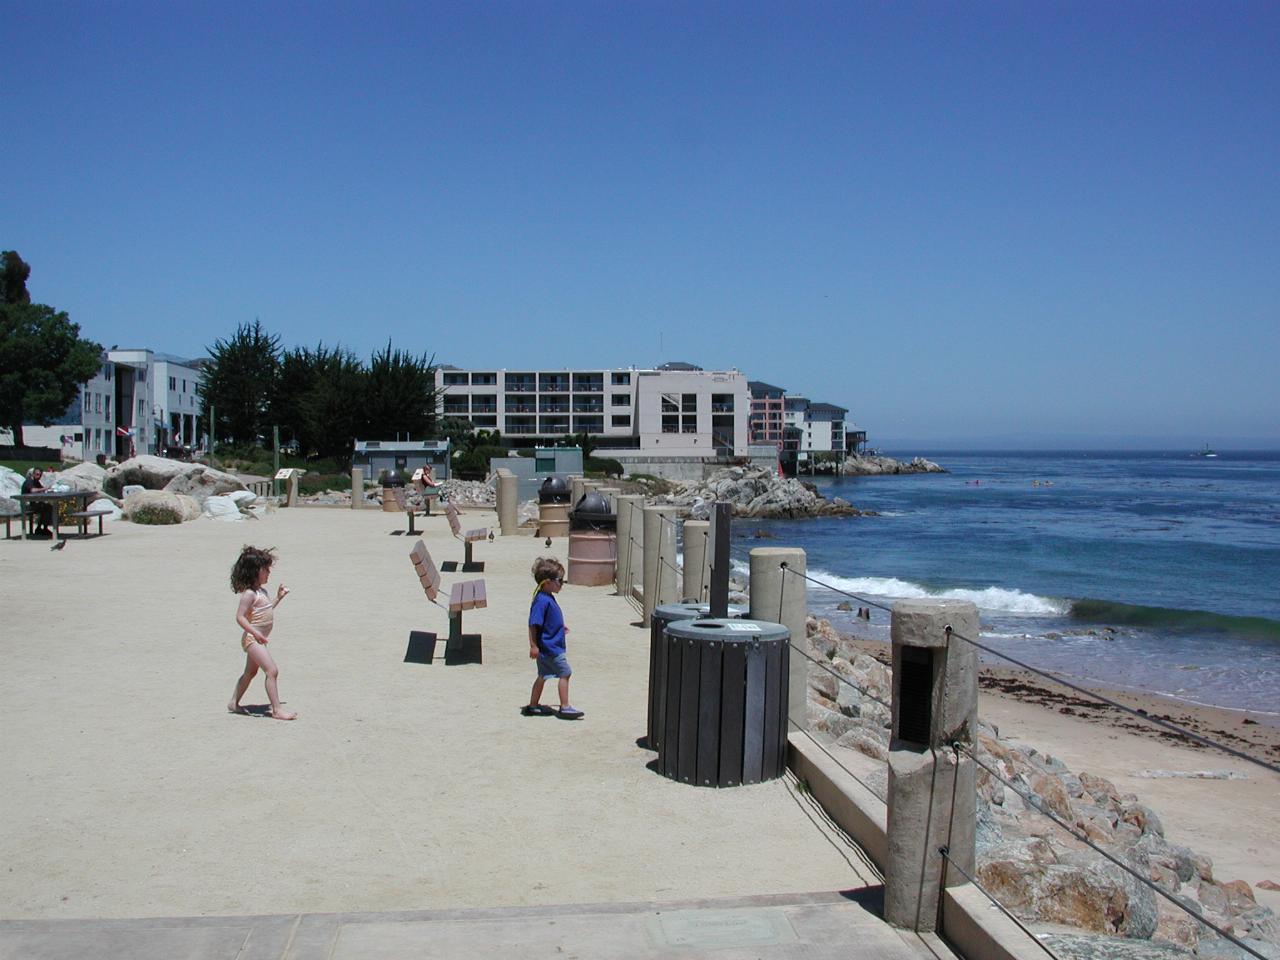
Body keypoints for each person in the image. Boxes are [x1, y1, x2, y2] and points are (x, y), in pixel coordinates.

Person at [227, 546, 297, 720]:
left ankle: (234, 703)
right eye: (265, 569)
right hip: (252, 640)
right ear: (254, 571)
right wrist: (255, 633)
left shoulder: (261, 592)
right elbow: (240, 617)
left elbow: (265, 611)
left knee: (250, 673)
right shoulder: (249, 594)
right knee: (271, 670)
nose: (268, 573)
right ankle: (276, 709)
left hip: (258, 639)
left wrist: (278, 598)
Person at [524, 557, 583, 719]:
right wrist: (533, 645)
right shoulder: (542, 600)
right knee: (565, 672)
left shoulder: (547, 597)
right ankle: (565, 707)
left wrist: (559, 628)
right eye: (560, 581)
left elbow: (547, 621)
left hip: (549, 646)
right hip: (550, 648)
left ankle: (533, 705)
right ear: (547, 582)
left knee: (543, 675)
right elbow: (533, 624)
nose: (562, 584)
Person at [20, 467, 53, 536]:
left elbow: (41, 489)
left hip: (33, 504)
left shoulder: (36, 481)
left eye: (40, 475)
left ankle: (42, 528)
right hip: (26, 506)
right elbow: (33, 490)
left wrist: (49, 490)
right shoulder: (29, 481)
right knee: (47, 508)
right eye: (37, 474)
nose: (38, 476)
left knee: (48, 507)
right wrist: (45, 488)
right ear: (33, 474)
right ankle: (41, 529)